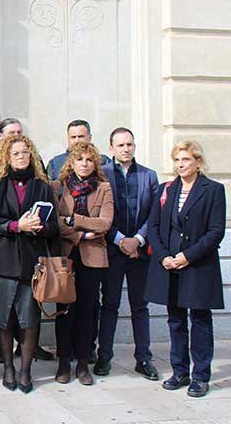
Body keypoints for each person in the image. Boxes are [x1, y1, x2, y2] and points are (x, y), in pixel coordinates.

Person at [146, 141, 226, 398]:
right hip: (169, 265)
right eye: (177, 160)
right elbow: (154, 226)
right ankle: (180, 371)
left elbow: (215, 231)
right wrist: (164, 257)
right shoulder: (166, 189)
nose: (181, 165)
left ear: (198, 162)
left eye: (186, 160)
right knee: (175, 320)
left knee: (200, 320)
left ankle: (201, 375)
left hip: (198, 265)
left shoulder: (213, 190)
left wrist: (187, 257)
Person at [0, 135, 59, 394]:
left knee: (29, 320)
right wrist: (16, 226)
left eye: (25, 152)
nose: (21, 157)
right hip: (2, 262)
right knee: (4, 319)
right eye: (16, 153)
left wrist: (39, 227)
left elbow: (54, 226)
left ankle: (25, 371)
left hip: (30, 262)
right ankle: (7, 367)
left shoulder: (42, 186)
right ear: (7, 156)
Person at [94, 128, 160, 381]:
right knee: (109, 305)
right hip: (112, 249)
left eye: (130, 144)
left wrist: (138, 240)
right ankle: (104, 356)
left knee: (140, 306)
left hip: (139, 252)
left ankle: (143, 358)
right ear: (111, 148)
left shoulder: (149, 176)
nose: (126, 149)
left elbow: (154, 214)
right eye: (120, 145)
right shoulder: (102, 175)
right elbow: (99, 212)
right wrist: (121, 240)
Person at [52, 142, 113, 387]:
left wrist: (74, 220)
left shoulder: (104, 188)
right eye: (80, 160)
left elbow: (105, 223)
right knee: (64, 310)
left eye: (89, 160)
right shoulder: (58, 187)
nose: (85, 164)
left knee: (88, 311)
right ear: (72, 163)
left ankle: (84, 362)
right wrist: (80, 233)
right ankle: (64, 361)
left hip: (93, 256)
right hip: (67, 255)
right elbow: (55, 221)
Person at [46, 119, 111, 180]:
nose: (77, 140)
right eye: (73, 137)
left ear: (89, 137)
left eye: (81, 136)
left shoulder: (104, 162)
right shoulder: (54, 163)